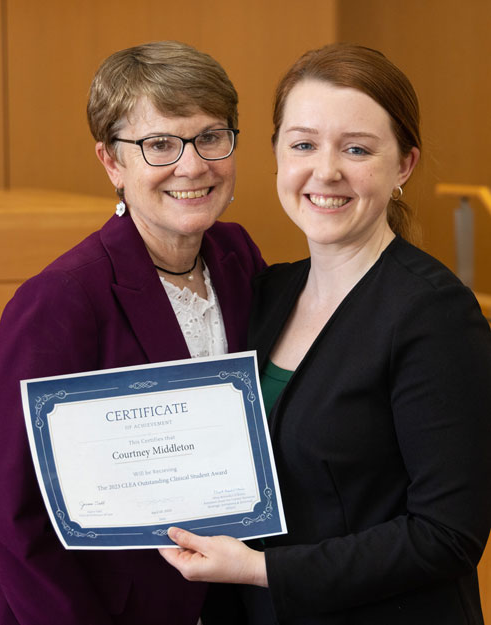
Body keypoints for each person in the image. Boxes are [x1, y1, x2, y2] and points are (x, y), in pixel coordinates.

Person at [159, 43, 491, 625]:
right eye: (304, 144)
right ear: (278, 156)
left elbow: (448, 536)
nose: (326, 171)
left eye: (357, 149)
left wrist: (259, 570)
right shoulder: (267, 293)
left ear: (404, 166)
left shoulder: (435, 314)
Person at [0, 41, 264, 625]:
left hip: (228, 599)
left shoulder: (239, 257)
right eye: (159, 144)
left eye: (211, 136)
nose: (192, 165)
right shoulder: (58, 301)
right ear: (112, 162)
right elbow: (12, 514)